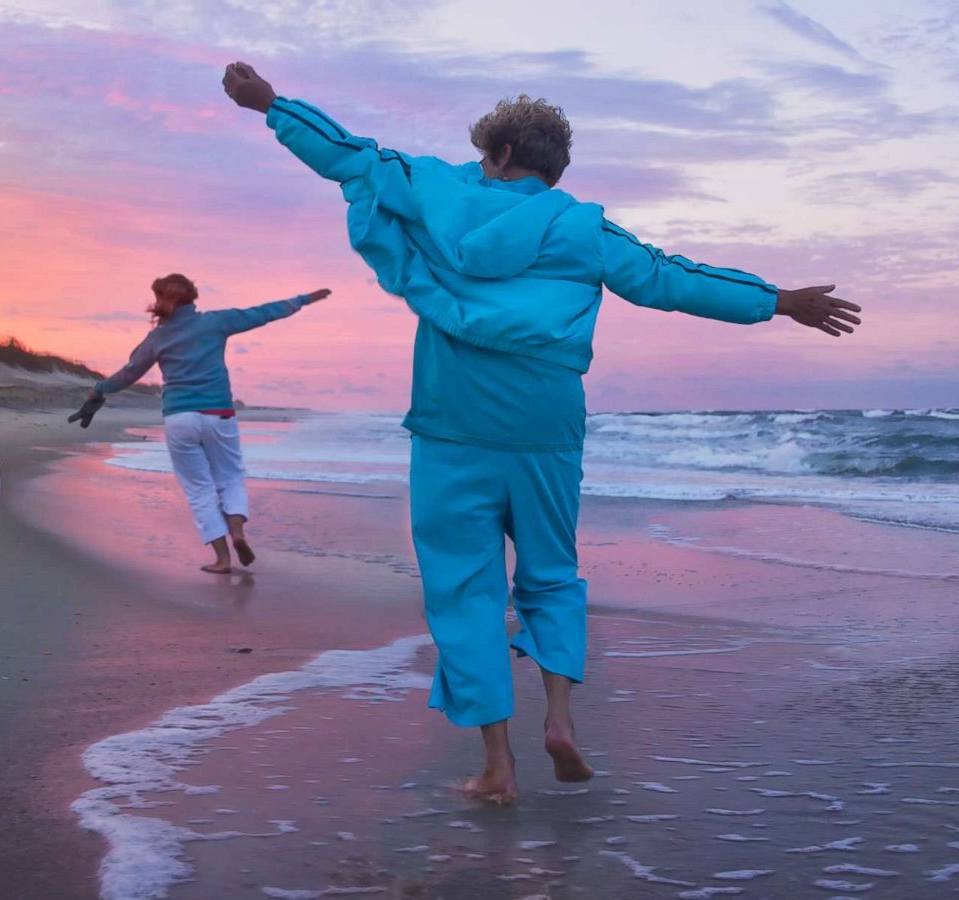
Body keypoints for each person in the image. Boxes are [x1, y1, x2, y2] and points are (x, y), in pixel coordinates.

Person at [221, 62, 862, 802]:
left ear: (492, 153)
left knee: (463, 585)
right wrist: (776, 300)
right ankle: (559, 719)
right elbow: (667, 278)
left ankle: (497, 765)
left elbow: (349, 154)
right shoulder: (580, 227)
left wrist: (270, 104)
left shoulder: (436, 189)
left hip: (452, 420)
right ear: (554, 171)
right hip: (546, 425)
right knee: (551, 572)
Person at [70, 274, 330, 573]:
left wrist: (98, 390)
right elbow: (264, 313)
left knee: (199, 488)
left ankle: (222, 559)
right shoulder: (215, 322)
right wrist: (303, 300)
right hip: (219, 414)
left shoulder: (157, 338)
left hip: (180, 418)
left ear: (159, 299)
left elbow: (128, 374)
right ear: (193, 297)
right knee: (230, 477)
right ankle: (238, 533)